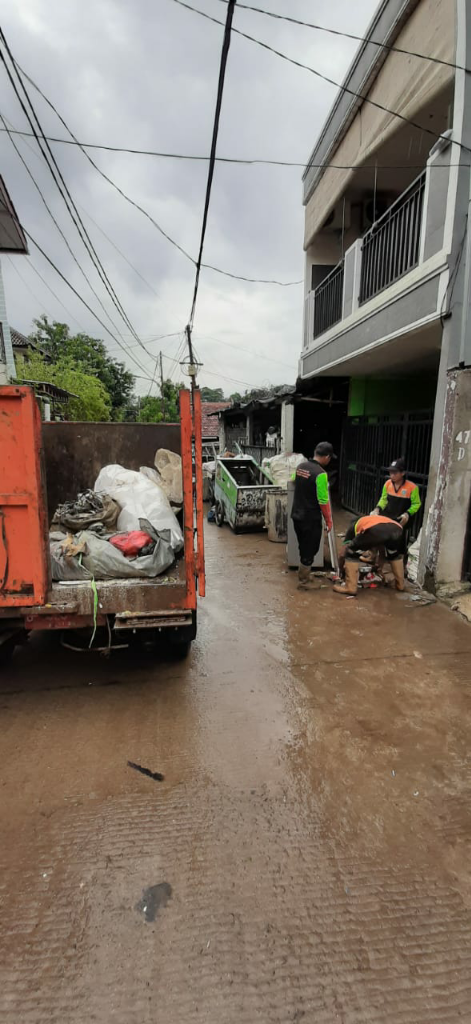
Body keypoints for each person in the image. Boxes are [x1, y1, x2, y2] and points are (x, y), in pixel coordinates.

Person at [291, 441, 335, 589]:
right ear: (327, 457)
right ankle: (303, 581)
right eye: (330, 458)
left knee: (303, 546)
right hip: (310, 518)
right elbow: (323, 501)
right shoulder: (321, 474)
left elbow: (292, 480)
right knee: (311, 549)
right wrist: (329, 521)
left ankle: (304, 575)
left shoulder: (300, 467)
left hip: (296, 515)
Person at [333, 513, 404, 596]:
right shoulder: (374, 520)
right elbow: (382, 551)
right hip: (397, 529)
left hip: (375, 530)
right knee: (393, 555)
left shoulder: (353, 527)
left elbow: (342, 554)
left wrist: (341, 570)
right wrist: (379, 568)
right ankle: (400, 585)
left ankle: (350, 587)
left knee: (350, 552)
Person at [372, 457, 421, 547]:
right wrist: (377, 509)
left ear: (402, 473)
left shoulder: (412, 487)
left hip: (401, 519)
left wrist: (407, 513)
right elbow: (384, 499)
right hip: (388, 515)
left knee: (398, 544)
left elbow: (416, 504)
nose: (392, 475)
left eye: (395, 473)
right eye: (390, 472)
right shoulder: (387, 484)